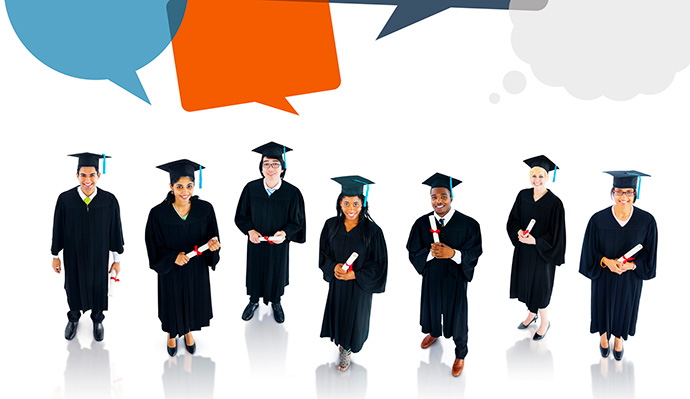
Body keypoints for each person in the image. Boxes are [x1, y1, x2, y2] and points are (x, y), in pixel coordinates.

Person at [406, 173, 482, 377]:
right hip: (431, 276)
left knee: (457, 315)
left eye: (443, 196)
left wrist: (454, 254)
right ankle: (433, 332)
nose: (438, 201)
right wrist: (430, 253)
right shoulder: (422, 223)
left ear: (451, 198)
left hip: (455, 278)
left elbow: (475, 251)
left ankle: (460, 353)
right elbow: (412, 251)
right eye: (434, 197)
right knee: (432, 307)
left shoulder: (469, 224)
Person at [145, 159, 221, 356]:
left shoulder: (205, 209)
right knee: (171, 300)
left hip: (195, 268)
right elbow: (152, 245)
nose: (184, 191)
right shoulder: (158, 213)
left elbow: (213, 237)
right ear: (171, 186)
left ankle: (187, 332)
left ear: (194, 186)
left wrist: (213, 247)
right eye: (179, 186)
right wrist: (172, 258)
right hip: (171, 269)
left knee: (193, 299)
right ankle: (171, 334)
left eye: (189, 186)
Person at [579, 171, 657, 361]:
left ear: (635, 194)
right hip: (604, 275)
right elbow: (589, 251)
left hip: (630, 277)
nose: (624, 197)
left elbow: (650, 254)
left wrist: (631, 266)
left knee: (625, 307)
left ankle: (619, 340)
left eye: (629, 192)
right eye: (619, 192)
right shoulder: (598, 219)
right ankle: (604, 338)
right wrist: (607, 262)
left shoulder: (646, 221)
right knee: (602, 305)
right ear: (612, 192)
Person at [51, 152, 124, 342]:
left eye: (92, 175)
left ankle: (97, 320)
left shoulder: (109, 201)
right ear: (77, 176)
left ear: (99, 175)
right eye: (83, 175)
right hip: (73, 255)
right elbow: (57, 228)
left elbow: (115, 231)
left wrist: (117, 260)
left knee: (99, 286)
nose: (87, 180)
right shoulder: (65, 199)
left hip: (99, 256)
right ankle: (74, 318)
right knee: (72, 285)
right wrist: (55, 255)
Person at [319, 176, 388, 371]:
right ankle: (341, 345)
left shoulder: (373, 231)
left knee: (355, 318)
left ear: (363, 203)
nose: (351, 208)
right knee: (338, 313)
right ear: (340, 202)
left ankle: (347, 349)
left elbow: (379, 264)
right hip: (338, 282)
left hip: (359, 286)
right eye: (346, 203)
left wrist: (355, 275)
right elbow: (323, 253)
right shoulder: (330, 225)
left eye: (355, 203)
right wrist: (334, 267)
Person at [235, 142, 306, 323]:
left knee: (276, 272)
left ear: (283, 168)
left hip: (278, 245)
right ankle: (253, 301)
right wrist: (250, 231)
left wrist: (285, 233)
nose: (271, 168)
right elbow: (241, 216)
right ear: (261, 168)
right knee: (255, 271)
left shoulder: (292, 192)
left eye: (275, 164)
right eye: (266, 163)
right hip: (256, 242)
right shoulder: (251, 189)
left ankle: (276, 302)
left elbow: (297, 221)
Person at [506, 155, 566, 340]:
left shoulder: (555, 203)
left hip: (542, 254)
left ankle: (544, 321)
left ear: (547, 177)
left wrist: (536, 241)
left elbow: (556, 233)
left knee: (540, 287)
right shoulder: (523, 195)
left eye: (541, 176)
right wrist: (518, 232)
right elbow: (513, 220)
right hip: (524, 250)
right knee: (525, 283)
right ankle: (531, 315)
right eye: (534, 176)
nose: (537, 180)